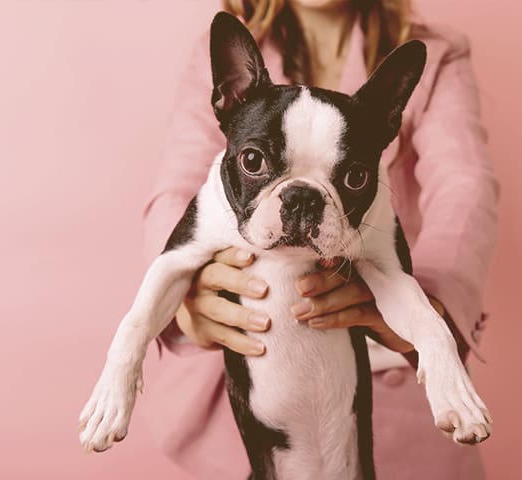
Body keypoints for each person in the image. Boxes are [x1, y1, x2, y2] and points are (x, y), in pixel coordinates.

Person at [141, 0, 499, 478]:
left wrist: (428, 312)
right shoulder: (237, 56)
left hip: (388, 376)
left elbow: (465, 189)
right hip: (247, 386)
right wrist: (189, 293)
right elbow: (176, 186)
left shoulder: (438, 53)